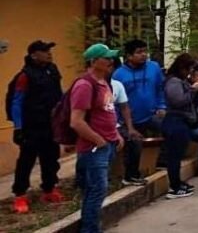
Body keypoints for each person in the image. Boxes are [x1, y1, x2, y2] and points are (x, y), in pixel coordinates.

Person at [72, 44, 125, 232]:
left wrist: (116, 134)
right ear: (94, 61)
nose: (111, 62)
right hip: (94, 148)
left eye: (111, 58)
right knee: (97, 190)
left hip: (108, 144)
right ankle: (90, 229)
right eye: (106, 58)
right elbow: (76, 121)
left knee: (95, 190)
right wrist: (98, 140)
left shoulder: (104, 83)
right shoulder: (84, 85)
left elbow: (108, 112)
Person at [8, 40, 64, 213]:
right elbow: (17, 102)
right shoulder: (25, 75)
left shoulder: (52, 70)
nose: (49, 53)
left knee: (51, 158)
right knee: (26, 161)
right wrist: (18, 127)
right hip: (31, 126)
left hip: (51, 124)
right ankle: (20, 195)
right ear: (33, 55)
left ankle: (49, 189)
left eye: (49, 50)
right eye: (44, 51)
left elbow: (59, 95)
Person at [111, 39, 167, 187]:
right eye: (139, 52)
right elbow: (115, 101)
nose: (143, 55)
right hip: (128, 120)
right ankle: (130, 175)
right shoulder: (118, 75)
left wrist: (162, 106)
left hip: (151, 114)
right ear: (129, 56)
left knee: (171, 127)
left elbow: (161, 88)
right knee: (134, 142)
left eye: (145, 51)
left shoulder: (154, 67)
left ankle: (162, 160)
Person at [162, 54, 198, 199]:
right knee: (174, 156)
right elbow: (178, 100)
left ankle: (178, 182)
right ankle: (174, 187)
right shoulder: (173, 82)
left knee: (178, 155)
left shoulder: (180, 81)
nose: (190, 73)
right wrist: (193, 90)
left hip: (183, 121)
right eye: (189, 69)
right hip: (175, 121)